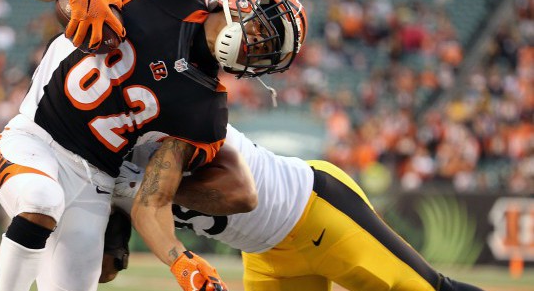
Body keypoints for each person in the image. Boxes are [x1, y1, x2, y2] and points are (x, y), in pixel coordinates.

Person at [0, 0, 307, 291]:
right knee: (41, 198)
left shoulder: (206, 111)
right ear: (238, 2)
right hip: (35, 139)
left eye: (270, 50)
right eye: (262, 31)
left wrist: (180, 260)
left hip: (96, 180)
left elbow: (153, 202)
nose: (257, 48)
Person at [106, 124, 486, 291]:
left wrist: (154, 191)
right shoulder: (98, 172)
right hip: (263, 256)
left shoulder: (172, 119)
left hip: (315, 210)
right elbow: (110, 262)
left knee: (428, 289)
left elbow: (241, 193)